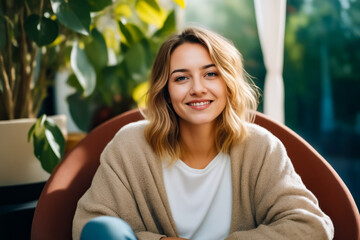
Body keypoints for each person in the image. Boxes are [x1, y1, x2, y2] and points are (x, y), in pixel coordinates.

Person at [73, 27, 334, 240]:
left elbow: (312, 226)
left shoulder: (260, 147)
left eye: (211, 74)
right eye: (181, 78)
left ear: (228, 82)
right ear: (165, 90)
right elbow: (88, 225)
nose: (198, 89)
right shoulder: (130, 145)